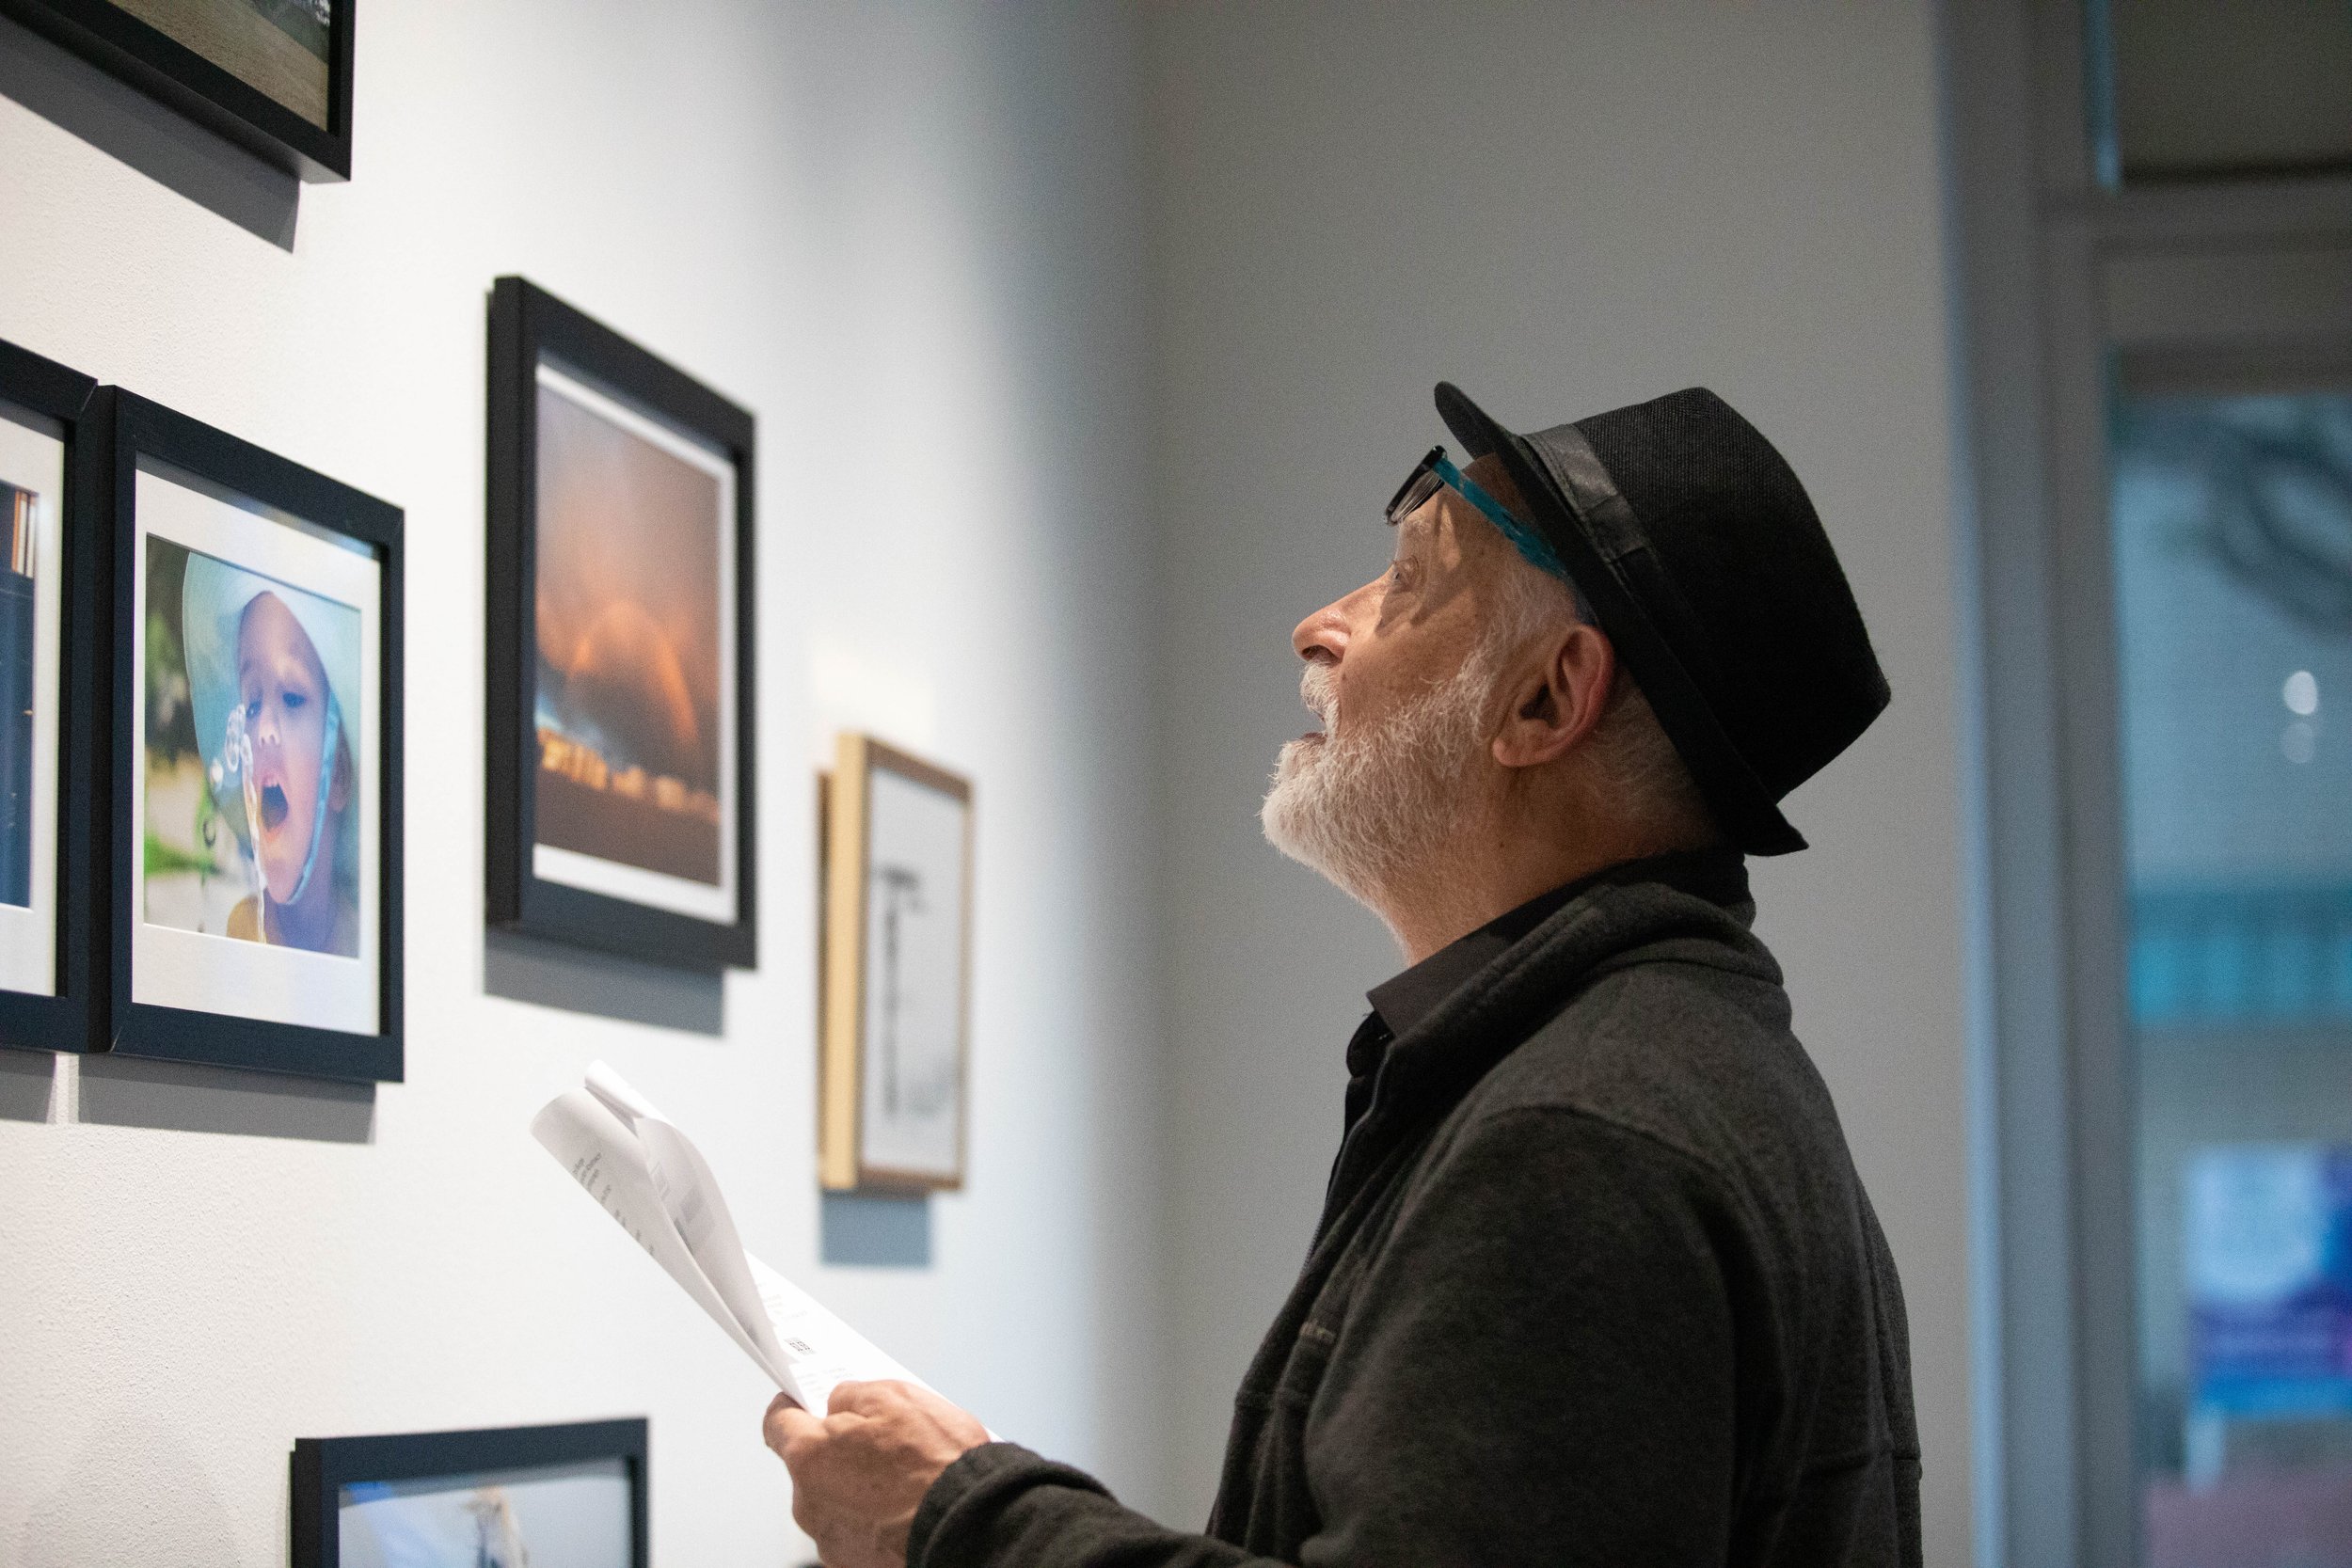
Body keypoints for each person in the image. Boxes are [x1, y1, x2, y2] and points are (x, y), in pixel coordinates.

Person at [767, 384, 1922, 1567]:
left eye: (1410, 580)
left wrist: (956, 1520)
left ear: (1545, 696)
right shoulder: (1676, 1070)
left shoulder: (1583, 1136)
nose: (1320, 625)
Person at [183, 554, 361, 957]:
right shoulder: (233, 934)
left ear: (341, 775)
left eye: (293, 697)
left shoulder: (368, 946)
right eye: (251, 704)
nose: (262, 729)